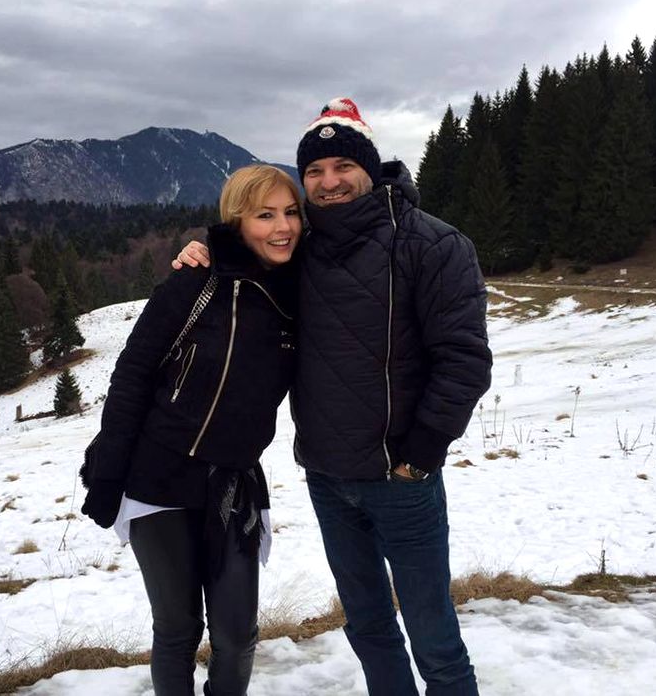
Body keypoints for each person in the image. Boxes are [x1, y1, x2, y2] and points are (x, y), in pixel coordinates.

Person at [174, 98, 492, 695]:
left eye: (343, 165)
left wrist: (420, 454)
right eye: (315, 171)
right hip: (326, 475)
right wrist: (207, 252)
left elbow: (465, 361)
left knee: (434, 637)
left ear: (369, 167)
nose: (329, 181)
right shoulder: (305, 246)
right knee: (368, 626)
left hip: (402, 478)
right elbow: (251, 255)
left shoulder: (433, 244)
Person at [81, 164, 302, 696]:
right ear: (236, 220)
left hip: (233, 482)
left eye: (291, 212)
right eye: (265, 215)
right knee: (178, 629)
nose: (283, 227)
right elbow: (133, 373)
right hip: (159, 477)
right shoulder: (196, 281)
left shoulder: (302, 291)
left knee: (238, 634)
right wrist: (108, 471)